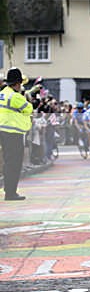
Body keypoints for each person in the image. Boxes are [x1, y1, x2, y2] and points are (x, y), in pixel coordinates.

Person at [0, 68, 33, 200]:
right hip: (13, 132)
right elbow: (29, 109)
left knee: (7, 162)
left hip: (2, 131)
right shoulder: (16, 97)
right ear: (18, 83)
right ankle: (11, 192)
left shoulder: (2, 94)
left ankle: (8, 190)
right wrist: (25, 96)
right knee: (14, 163)